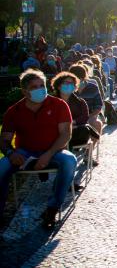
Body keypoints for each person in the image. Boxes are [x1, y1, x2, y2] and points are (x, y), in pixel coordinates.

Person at [0, 69, 77, 227]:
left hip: (54, 150)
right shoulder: (14, 111)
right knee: (2, 167)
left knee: (69, 161)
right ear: (25, 91)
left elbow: (65, 135)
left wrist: (48, 154)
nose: (40, 89)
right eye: (35, 87)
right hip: (25, 151)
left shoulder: (59, 105)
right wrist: (10, 153)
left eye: (42, 85)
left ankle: (52, 209)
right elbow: (4, 140)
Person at [52, 72, 101, 151]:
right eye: (66, 82)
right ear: (58, 86)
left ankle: (85, 155)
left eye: (71, 83)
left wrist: (72, 124)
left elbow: (84, 118)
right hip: (55, 134)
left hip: (75, 132)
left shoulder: (81, 102)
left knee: (87, 130)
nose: (69, 85)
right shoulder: (51, 102)